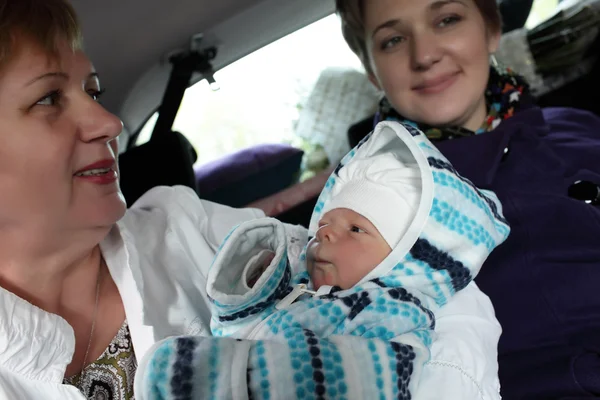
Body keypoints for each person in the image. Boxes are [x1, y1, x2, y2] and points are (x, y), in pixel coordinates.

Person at [0, 1, 503, 399]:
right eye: (48, 99)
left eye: (93, 91)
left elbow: (441, 291)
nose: (109, 123)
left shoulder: (185, 227)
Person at [336, 0, 600, 398]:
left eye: (447, 20)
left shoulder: (578, 125)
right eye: (392, 40)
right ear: (372, 71)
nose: (424, 55)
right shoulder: (359, 211)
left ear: (491, 29)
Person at [136, 120, 510, 399]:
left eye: (356, 230)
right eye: (325, 223)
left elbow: (355, 380)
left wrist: (222, 376)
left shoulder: (393, 313)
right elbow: (233, 327)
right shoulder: (302, 289)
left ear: (402, 260)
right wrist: (251, 280)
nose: (326, 233)